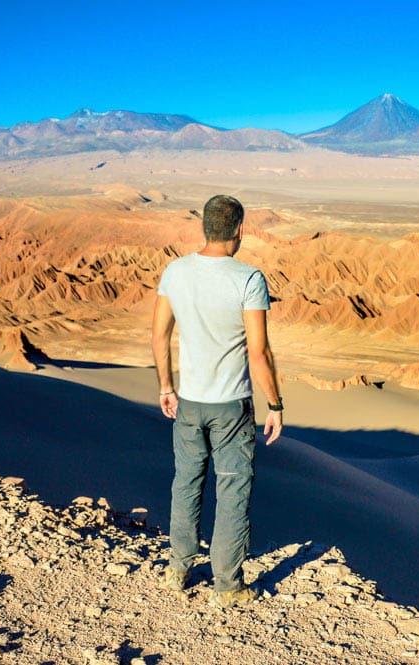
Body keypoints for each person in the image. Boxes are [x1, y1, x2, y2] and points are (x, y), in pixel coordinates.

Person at [151, 194, 284, 608]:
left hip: (188, 402)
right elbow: (258, 352)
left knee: (186, 482)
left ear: (205, 227)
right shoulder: (248, 279)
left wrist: (165, 387)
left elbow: (159, 336)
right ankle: (227, 585)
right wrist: (275, 406)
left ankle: (178, 569)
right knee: (232, 490)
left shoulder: (176, 272)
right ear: (239, 230)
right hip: (232, 407)